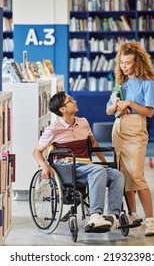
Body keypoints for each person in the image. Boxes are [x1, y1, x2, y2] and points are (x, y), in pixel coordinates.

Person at [33, 91, 124, 231]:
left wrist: (105, 162)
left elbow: (94, 144)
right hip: (67, 168)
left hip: (86, 166)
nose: (74, 101)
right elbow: (36, 151)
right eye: (70, 100)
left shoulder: (83, 122)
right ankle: (95, 215)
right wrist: (44, 166)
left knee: (117, 175)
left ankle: (113, 217)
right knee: (97, 170)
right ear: (62, 109)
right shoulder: (53, 129)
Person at [106, 41, 154, 236]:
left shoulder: (148, 84)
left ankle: (151, 220)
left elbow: (150, 112)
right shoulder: (120, 84)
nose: (124, 66)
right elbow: (108, 109)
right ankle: (133, 215)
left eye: (128, 63)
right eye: (121, 63)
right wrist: (118, 105)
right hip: (118, 129)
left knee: (136, 175)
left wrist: (130, 102)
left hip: (136, 130)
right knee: (123, 175)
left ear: (138, 63)